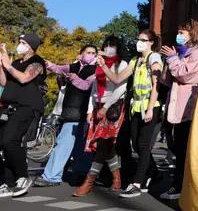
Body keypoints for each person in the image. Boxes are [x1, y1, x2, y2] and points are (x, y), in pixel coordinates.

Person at [96, 30, 163, 198]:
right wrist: (104, 66)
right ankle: (153, 173)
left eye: (143, 40)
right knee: (136, 145)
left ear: (151, 43)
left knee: (143, 144)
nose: (138, 42)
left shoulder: (153, 58)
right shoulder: (135, 61)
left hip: (150, 106)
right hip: (136, 108)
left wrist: (149, 109)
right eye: (138, 39)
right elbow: (117, 79)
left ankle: (137, 183)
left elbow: (156, 85)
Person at [34, 45, 98, 187]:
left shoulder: (95, 70)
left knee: (63, 144)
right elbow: (58, 69)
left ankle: (51, 176)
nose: (91, 55)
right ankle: (85, 172)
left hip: (80, 113)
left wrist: (73, 78)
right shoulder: (74, 66)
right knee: (79, 147)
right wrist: (48, 64)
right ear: (81, 54)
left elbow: (86, 86)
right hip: (70, 111)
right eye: (88, 52)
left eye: (94, 53)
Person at [73, 36, 128, 197]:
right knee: (106, 145)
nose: (109, 48)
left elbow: (120, 89)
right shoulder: (100, 64)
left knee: (103, 143)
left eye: (112, 46)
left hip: (113, 108)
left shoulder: (122, 64)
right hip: (98, 106)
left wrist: (105, 107)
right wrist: (91, 109)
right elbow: (94, 88)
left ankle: (89, 181)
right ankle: (116, 178)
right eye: (106, 45)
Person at [159, 20, 198, 200]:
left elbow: (185, 75)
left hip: (188, 108)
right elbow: (166, 79)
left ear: (192, 35)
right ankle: (182, 183)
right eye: (178, 31)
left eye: (183, 32)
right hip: (175, 107)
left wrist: (172, 60)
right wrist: (171, 59)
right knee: (175, 145)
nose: (179, 35)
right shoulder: (179, 54)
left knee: (182, 149)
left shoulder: (197, 56)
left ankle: (180, 186)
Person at [0, 33, 47, 197]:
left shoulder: (37, 62)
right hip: (9, 107)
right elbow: (5, 82)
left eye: (23, 42)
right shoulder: (16, 63)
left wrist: (8, 66)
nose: (19, 45)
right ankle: (8, 181)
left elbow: (25, 78)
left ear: (31, 46)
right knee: (2, 143)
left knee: (10, 140)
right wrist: (2, 65)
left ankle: (23, 176)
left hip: (28, 106)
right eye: (19, 42)